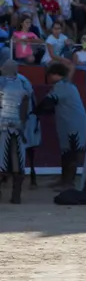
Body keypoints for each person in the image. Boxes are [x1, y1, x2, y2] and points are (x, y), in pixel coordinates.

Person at [32, 62, 86, 191]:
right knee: (66, 152)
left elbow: (48, 102)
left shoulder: (61, 86)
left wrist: (34, 112)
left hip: (73, 123)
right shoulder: (66, 86)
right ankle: (64, 180)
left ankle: (68, 183)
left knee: (71, 153)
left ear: (55, 74)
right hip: (69, 122)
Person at [0, 60, 32, 204]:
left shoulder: (1, 82)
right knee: (16, 158)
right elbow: (25, 106)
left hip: (2, 125)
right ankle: (16, 196)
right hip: (18, 126)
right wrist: (23, 125)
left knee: (1, 157)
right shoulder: (23, 83)